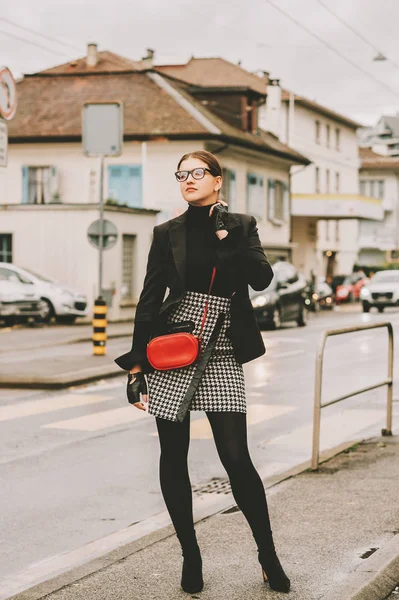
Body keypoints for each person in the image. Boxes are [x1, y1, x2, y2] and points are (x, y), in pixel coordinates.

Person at [114, 150, 291, 594]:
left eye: (197, 173)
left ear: (217, 180)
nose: (188, 179)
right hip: (174, 344)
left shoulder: (242, 224)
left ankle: (267, 555)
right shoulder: (166, 232)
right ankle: (190, 557)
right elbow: (150, 298)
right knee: (173, 456)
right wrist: (137, 365)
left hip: (224, 343)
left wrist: (229, 235)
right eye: (182, 174)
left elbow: (262, 280)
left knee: (236, 458)